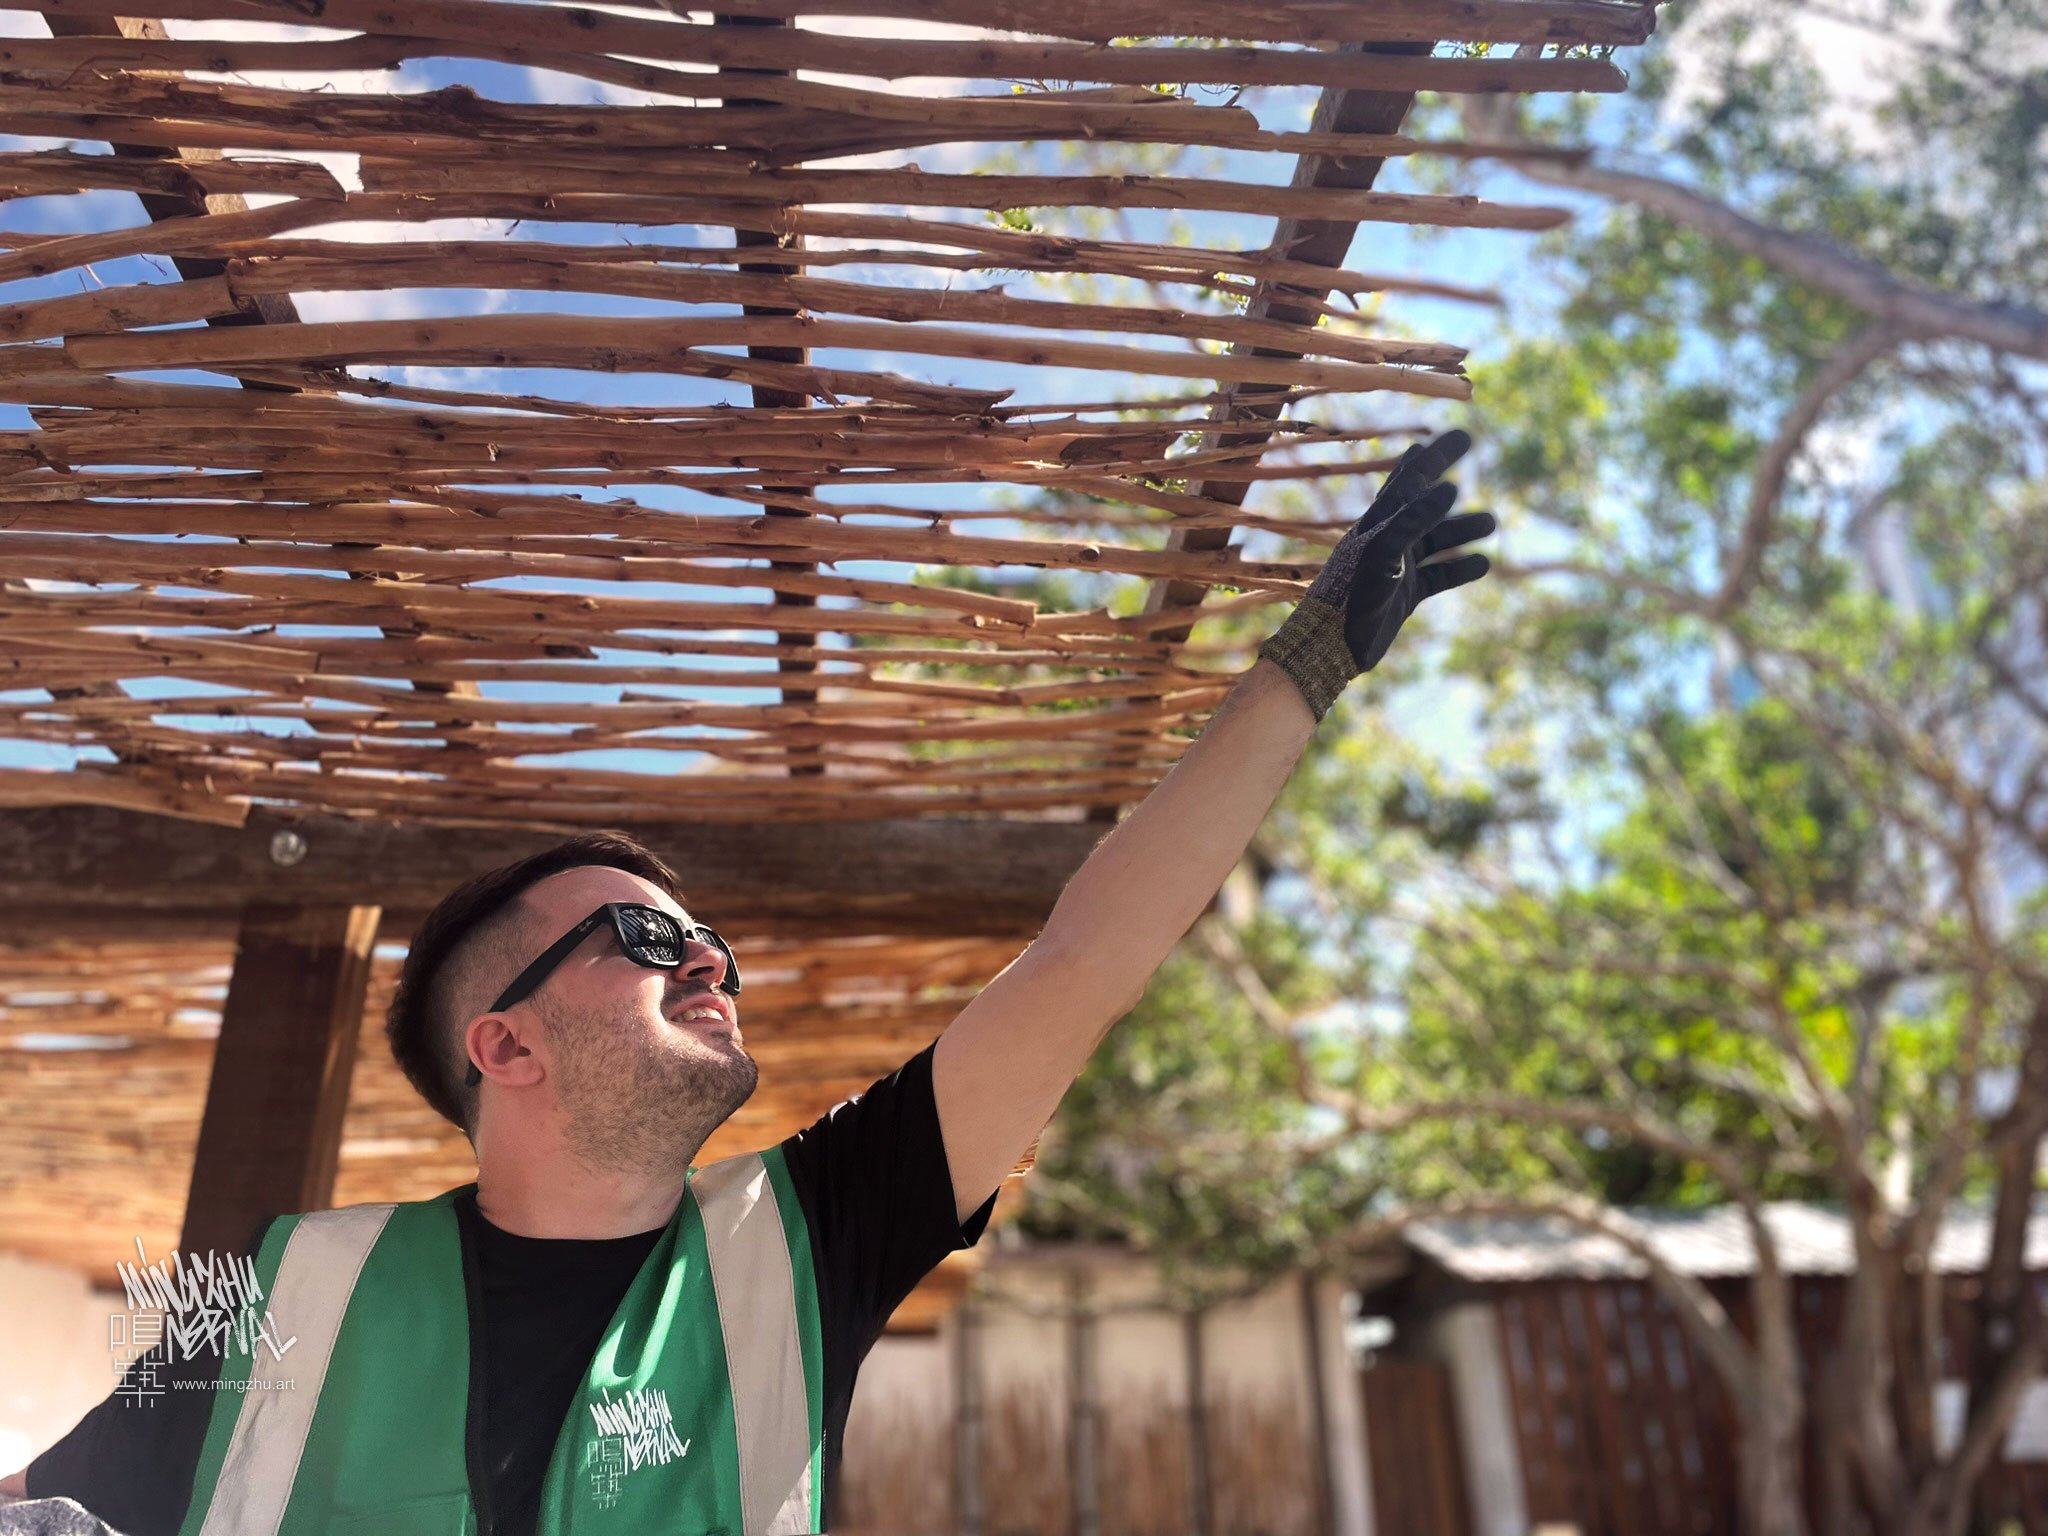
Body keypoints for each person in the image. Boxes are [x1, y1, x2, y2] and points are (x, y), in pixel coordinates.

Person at [1, 433, 1490, 1535]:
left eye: (707, 939)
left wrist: (1308, 661)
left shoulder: (809, 1240)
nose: (709, 957)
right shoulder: (273, 1296)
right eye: (645, 942)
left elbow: (1084, 962)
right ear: (501, 1043)